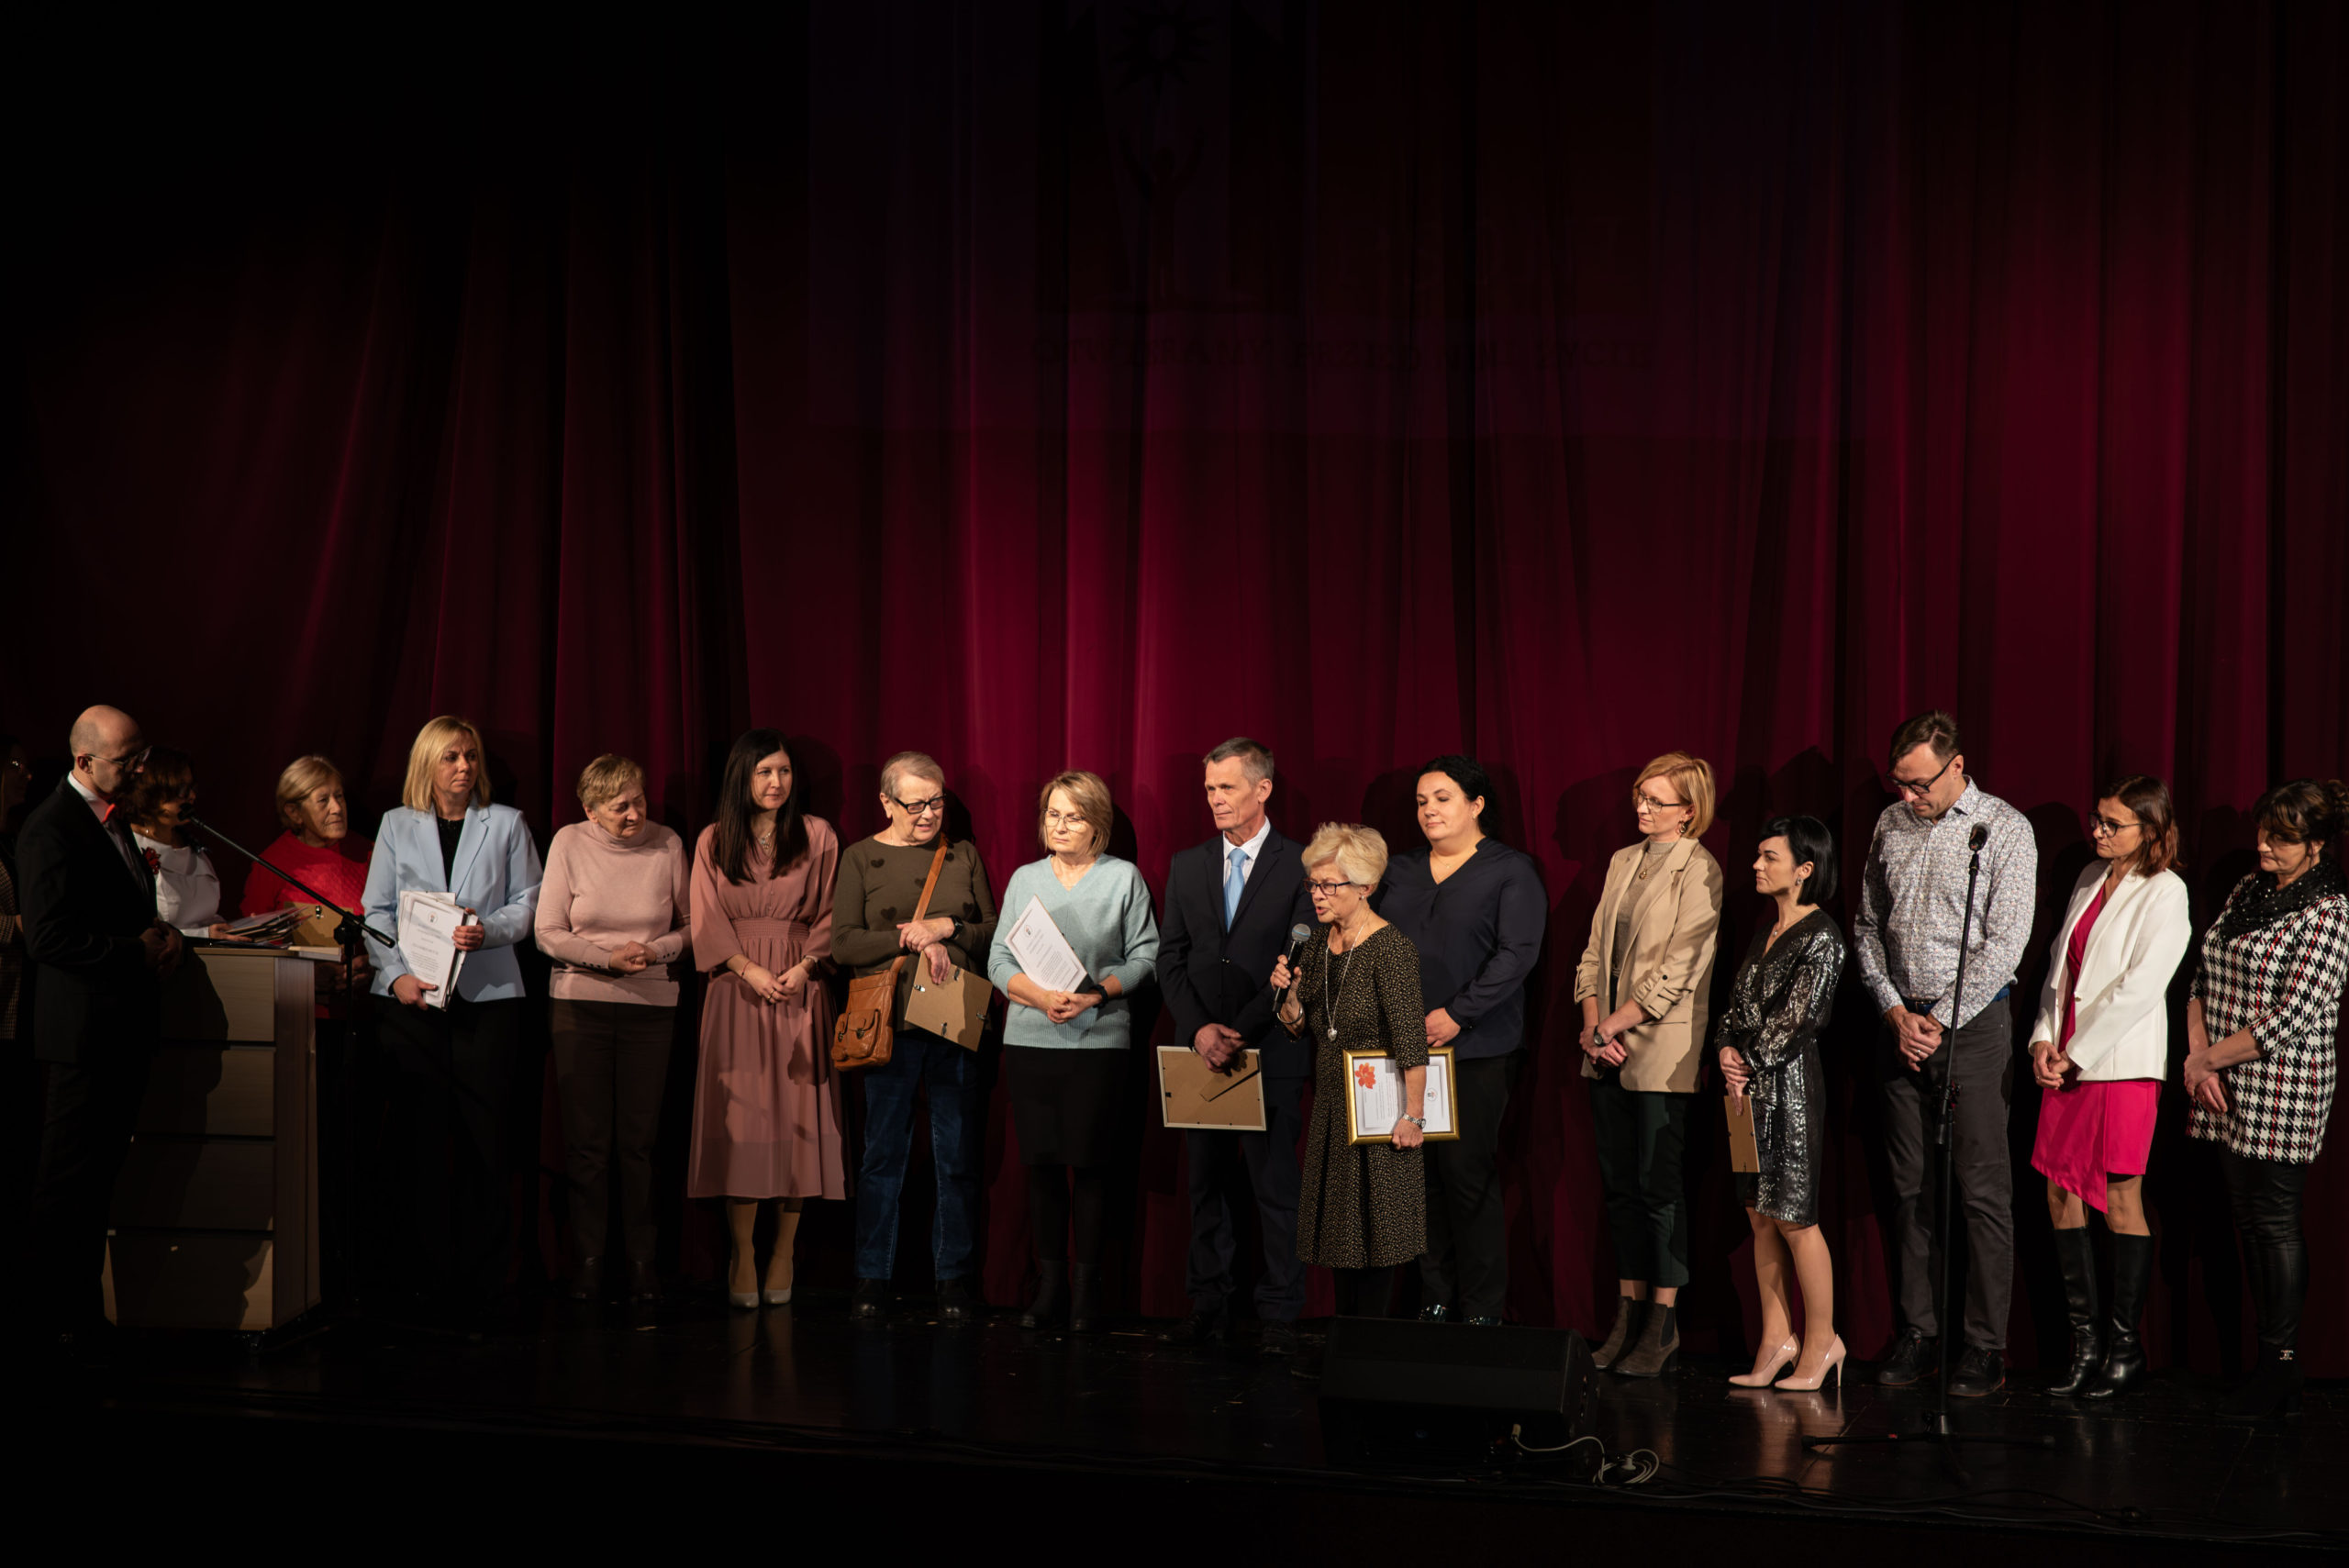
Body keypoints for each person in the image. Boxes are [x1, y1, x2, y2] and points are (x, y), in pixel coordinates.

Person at [1853, 709, 2037, 1396]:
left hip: (1972, 1028)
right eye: (1899, 783)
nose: (1909, 796)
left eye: (1920, 784)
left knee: (1981, 1191)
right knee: (1909, 1187)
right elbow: (1867, 925)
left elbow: (2007, 942)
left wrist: (1937, 1019)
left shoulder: (2005, 829)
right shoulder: (1890, 824)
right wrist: (1893, 1009)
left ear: (1957, 765)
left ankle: (1985, 1345)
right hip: (1899, 1024)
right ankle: (1920, 1331)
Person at [362, 716, 543, 1323]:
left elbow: (529, 904)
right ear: (428, 764)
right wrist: (395, 976)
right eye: (451, 757)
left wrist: (488, 929)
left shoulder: (506, 823)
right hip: (413, 1002)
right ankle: (421, 1281)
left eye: (470, 756)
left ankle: (483, 1286)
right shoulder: (397, 824)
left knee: (484, 1145)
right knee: (417, 1143)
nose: (464, 766)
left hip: (487, 1001)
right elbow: (376, 911)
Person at [2184, 778, 2349, 1422]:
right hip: (2220, 1079)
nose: (2263, 846)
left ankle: (2281, 1362)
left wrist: (2206, 1060)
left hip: (2283, 1083)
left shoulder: (2329, 911)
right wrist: (2198, 1056)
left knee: (2275, 1219)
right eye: (2263, 833)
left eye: (2280, 838)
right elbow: (2201, 972)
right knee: (2246, 1219)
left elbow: (2295, 1015)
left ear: (2316, 844)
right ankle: (2267, 1362)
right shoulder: (2249, 890)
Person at [24, 706, 182, 1353]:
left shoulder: (113, 820)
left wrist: (162, 935)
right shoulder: (51, 827)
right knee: (67, 1186)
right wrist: (133, 952)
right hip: (81, 1036)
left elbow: (123, 910)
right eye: (127, 760)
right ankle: (51, 1323)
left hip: (120, 1031)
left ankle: (85, 1318)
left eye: (142, 755)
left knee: (98, 1184)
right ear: (84, 761)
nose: (140, 769)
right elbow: (48, 937)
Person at [2027, 777, 2191, 1398]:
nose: (2097, 831)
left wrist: (2077, 1053)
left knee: (2121, 1197)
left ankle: (2125, 1349)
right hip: (2066, 1057)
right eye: (2096, 818)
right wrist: (2044, 1040)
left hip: (2119, 1063)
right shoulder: (2090, 877)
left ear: (2150, 830)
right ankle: (2085, 1345)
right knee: (2059, 1192)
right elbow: (2059, 971)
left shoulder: (2166, 890)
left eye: (2112, 823)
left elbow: (2143, 986)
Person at [988, 770, 1160, 1332]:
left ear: (1097, 825)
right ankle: (1050, 1287)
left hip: (1099, 1040)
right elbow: (998, 960)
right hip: (1030, 1039)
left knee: (1091, 1166)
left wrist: (1096, 995)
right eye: (1053, 815)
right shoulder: (1025, 878)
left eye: (1074, 817)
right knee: (1041, 1167)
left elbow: (1145, 958)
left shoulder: (1122, 878)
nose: (1059, 826)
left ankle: (1088, 1291)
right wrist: (1040, 997)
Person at [1158, 738, 1314, 1354]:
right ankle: (1208, 1304)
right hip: (1199, 1053)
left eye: (1226, 786)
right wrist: (1200, 1028)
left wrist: (1241, 1031)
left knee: (1275, 1190)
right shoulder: (1187, 863)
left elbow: (1297, 963)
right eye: (1209, 788)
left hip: (1269, 1051)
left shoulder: (1300, 864)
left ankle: (1279, 1314)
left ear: (1262, 788)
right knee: (1207, 1188)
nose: (1215, 799)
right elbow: (1171, 958)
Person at [1378, 754, 1546, 1327]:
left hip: (1475, 1050)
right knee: (1418, 1177)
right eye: (1421, 801)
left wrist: (1458, 1014)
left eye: (1443, 798)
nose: (1429, 810)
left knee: (1466, 1176)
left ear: (1476, 805)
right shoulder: (1398, 870)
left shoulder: (1510, 870)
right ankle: (1435, 1298)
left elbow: (1517, 954)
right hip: (1403, 1049)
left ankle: (1481, 1309)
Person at [1573, 751, 1725, 1377]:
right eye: (1641, 795)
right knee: (1619, 1189)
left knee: (1658, 1188)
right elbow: (1591, 955)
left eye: (1657, 800)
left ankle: (1662, 1324)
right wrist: (1592, 1028)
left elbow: (1680, 971)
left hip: (1660, 1052)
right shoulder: (1622, 860)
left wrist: (1612, 1024)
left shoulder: (1702, 868)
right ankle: (1627, 1314)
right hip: (1604, 1049)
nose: (1643, 807)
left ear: (1688, 811)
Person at [835, 751, 1000, 1322]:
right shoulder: (860, 857)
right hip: (889, 1024)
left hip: (954, 1019)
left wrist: (947, 927)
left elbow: (993, 932)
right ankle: (872, 1275)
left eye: (936, 802)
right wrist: (913, 937)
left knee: (956, 1156)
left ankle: (953, 1278)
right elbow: (843, 944)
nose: (928, 813)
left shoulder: (962, 854)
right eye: (915, 804)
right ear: (886, 803)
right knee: (883, 1155)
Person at [686, 730, 844, 1308]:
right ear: (742, 777)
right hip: (736, 989)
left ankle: (783, 1253)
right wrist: (747, 969)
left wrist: (805, 967)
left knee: (798, 1119)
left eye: (783, 771)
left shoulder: (818, 834)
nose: (776, 783)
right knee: (744, 1124)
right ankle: (743, 1254)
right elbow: (704, 917)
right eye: (764, 773)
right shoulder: (713, 839)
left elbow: (832, 912)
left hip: (801, 984)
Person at [537, 754, 692, 1305]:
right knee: (587, 1145)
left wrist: (655, 951)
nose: (633, 814)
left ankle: (642, 1263)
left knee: (639, 1143)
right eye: (619, 806)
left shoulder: (668, 843)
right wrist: (605, 959)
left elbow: (692, 926)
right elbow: (547, 931)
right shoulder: (569, 842)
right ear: (591, 811)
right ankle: (588, 1262)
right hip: (580, 1006)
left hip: (651, 1006)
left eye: (638, 800)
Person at [1272, 823, 1427, 1320]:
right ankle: (1345, 1340)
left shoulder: (1391, 949)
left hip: (1381, 1113)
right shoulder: (1318, 943)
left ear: (1365, 887)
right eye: (1312, 884)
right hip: (1332, 1109)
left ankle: (1371, 1345)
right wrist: (1289, 998)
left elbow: (1411, 1042)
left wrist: (1413, 1117)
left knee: (1377, 1233)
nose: (1317, 895)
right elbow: (1300, 1027)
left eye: (1328, 885)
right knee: (1341, 1236)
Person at [1717, 817, 1848, 1391]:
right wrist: (1726, 1049)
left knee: (1794, 1217)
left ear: (1803, 869)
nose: (1756, 865)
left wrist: (1747, 1060)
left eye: (1770, 856)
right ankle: (1777, 1340)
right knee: (1758, 1215)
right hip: (1744, 1095)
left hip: (1788, 1092)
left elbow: (1801, 1018)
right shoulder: (1766, 930)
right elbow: (1736, 1007)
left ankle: (1823, 1343)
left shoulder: (1822, 936)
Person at [239, 753, 376, 922]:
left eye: (339, 796)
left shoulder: (368, 853)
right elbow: (251, 929)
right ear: (294, 812)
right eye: (323, 800)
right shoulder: (271, 865)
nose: (337, 808)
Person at [123, 747, 229, 938]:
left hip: (212, 953)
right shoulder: (129, 847)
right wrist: (204, 935)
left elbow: (205, 917)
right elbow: (135, 931)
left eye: (192, 788)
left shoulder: (190, 844)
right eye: (181, 789)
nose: (191, 796)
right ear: (151, 792)